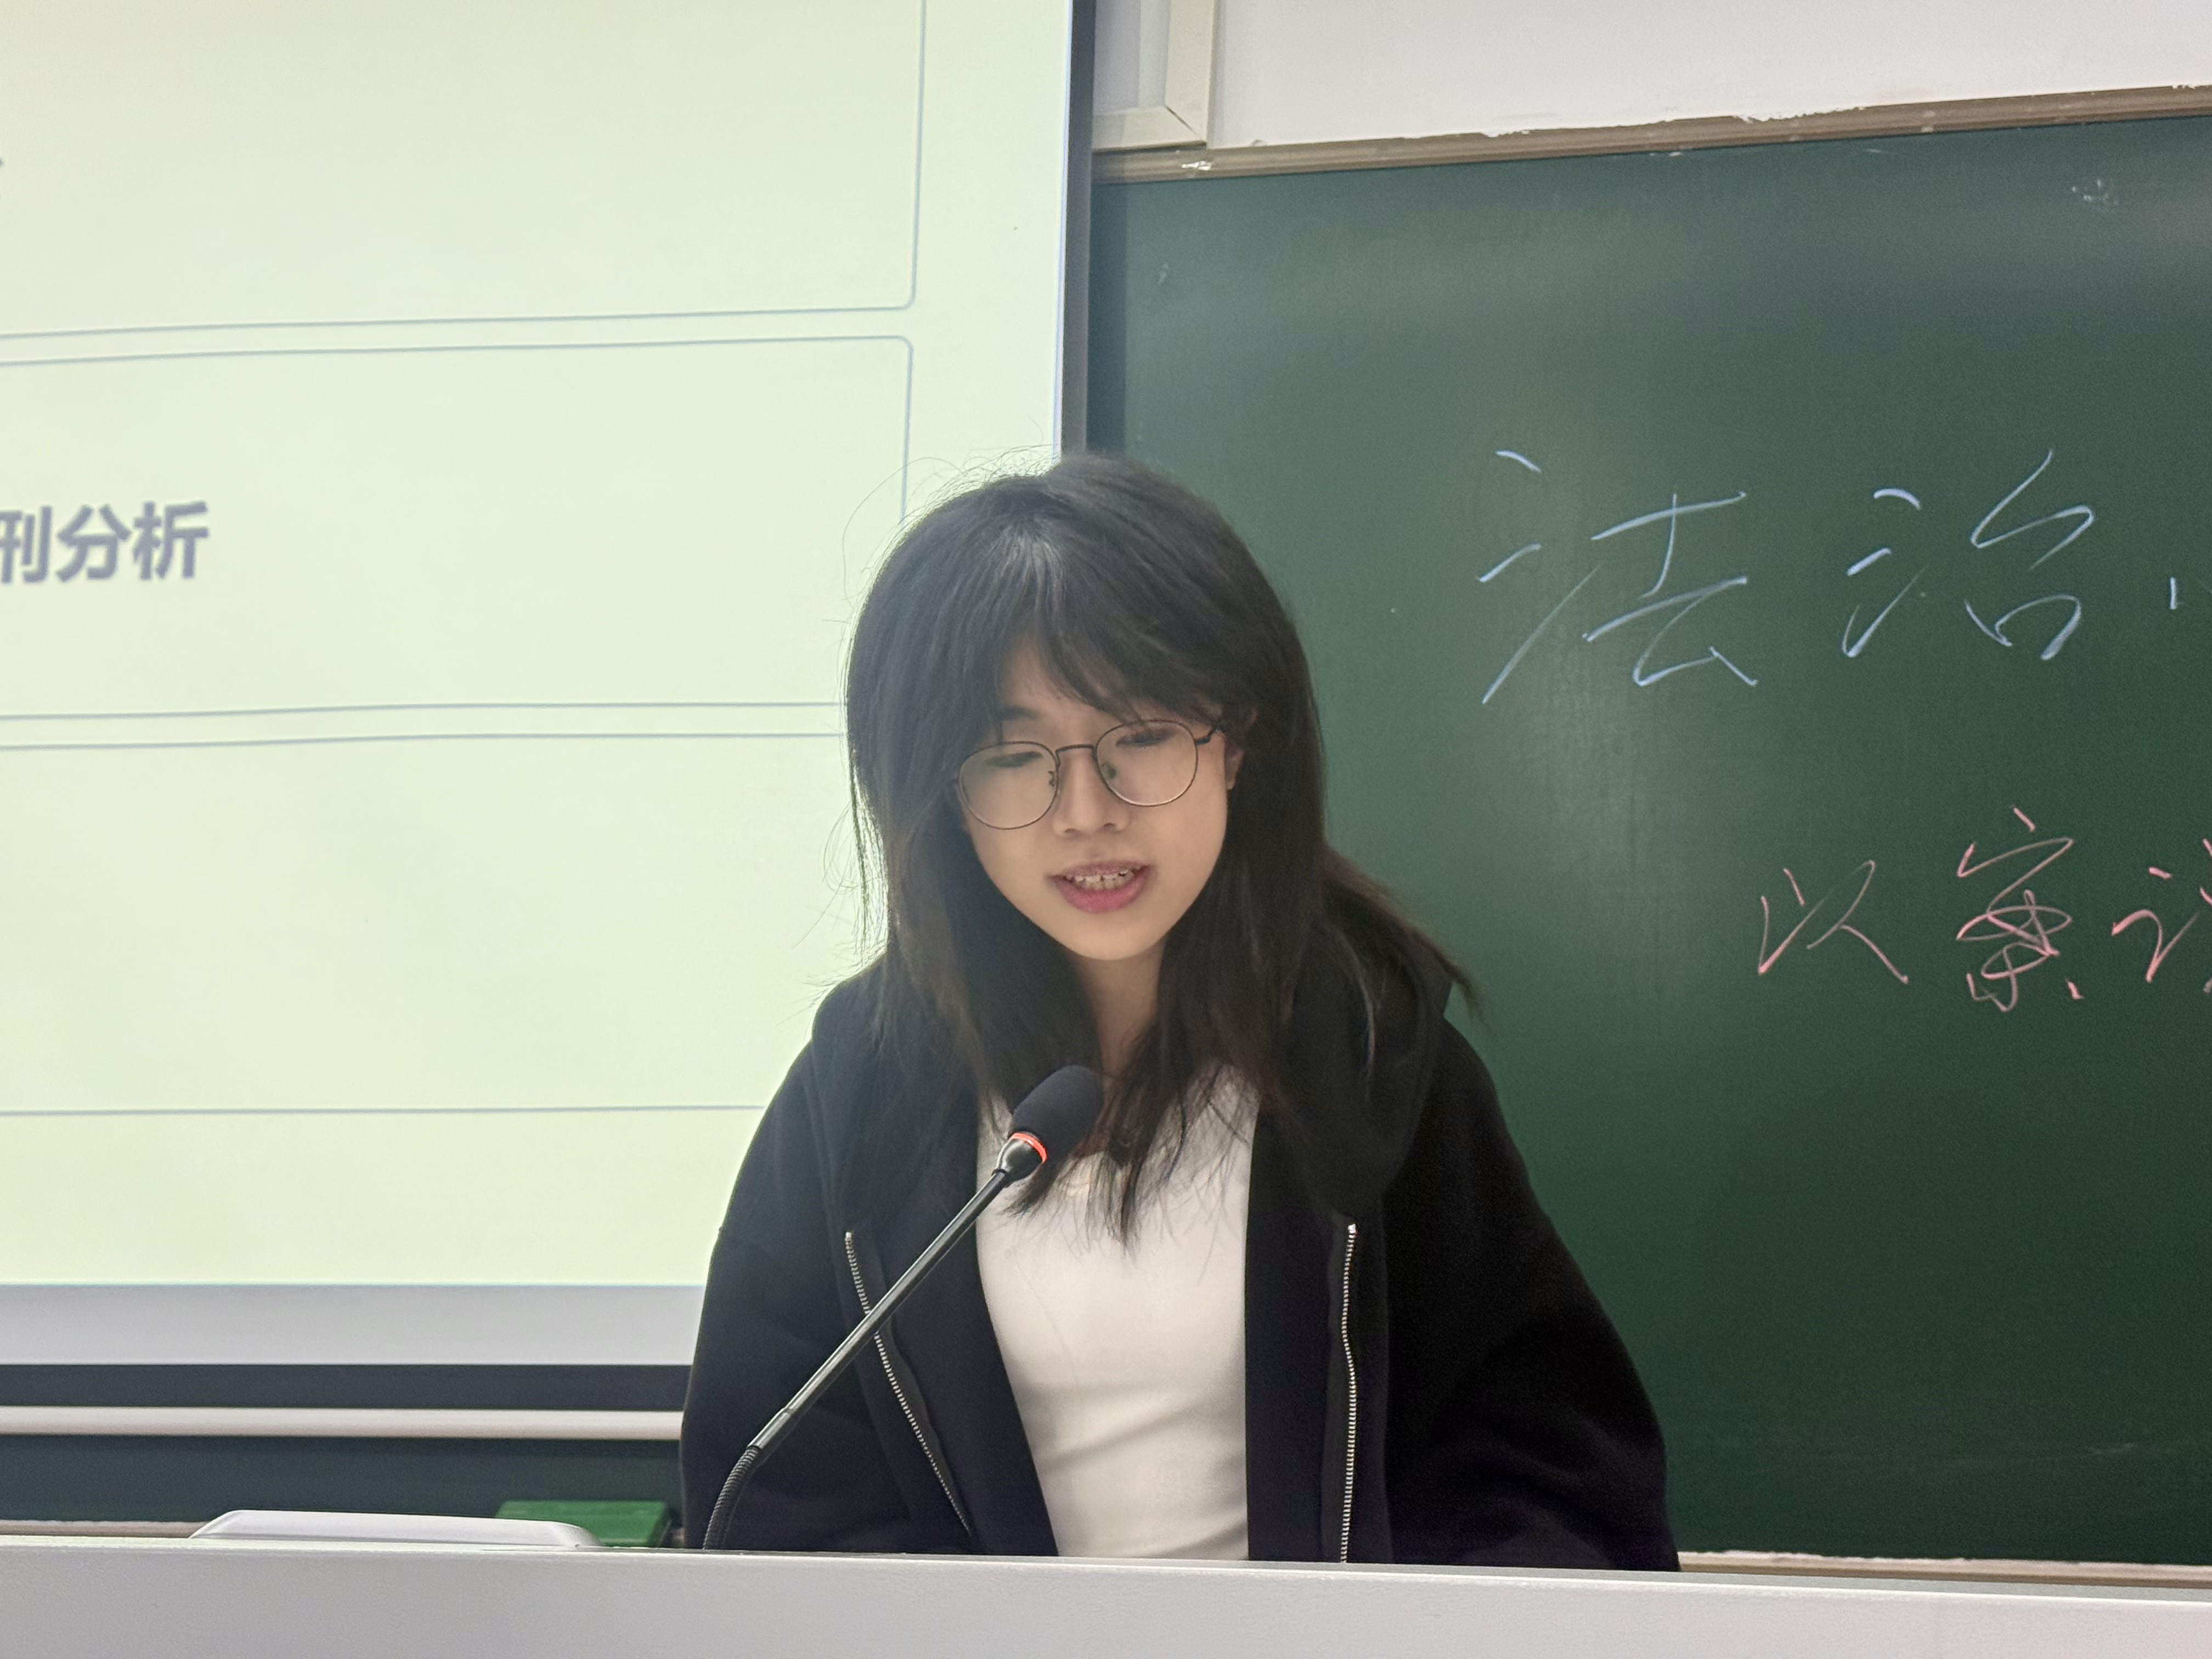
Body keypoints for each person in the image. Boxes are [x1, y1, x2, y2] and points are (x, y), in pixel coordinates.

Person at [681, 454, 1675, 1566]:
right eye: (1013, 756)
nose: (1085, 814)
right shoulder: (865, 1088)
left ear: (1236, 739)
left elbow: (1549, 1472)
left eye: (1141, 738)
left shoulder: (1373, 1060)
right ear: (943, 794)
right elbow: (773, 1494)